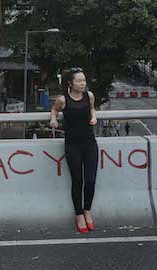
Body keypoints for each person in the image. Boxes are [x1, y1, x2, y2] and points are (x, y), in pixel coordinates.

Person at [49, 67, 98, 234]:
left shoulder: (89, 96)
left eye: (84, 80)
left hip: (90, 144)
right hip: (72, 145)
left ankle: (88, 210)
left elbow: (92, 108)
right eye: (79, 81)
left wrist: (94, 116)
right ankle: (79, 214)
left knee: (90, 180)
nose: (82, 83)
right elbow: (54, 110)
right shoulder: (63, 99)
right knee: (78, 181)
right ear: (70, 83)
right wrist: (53, 119)